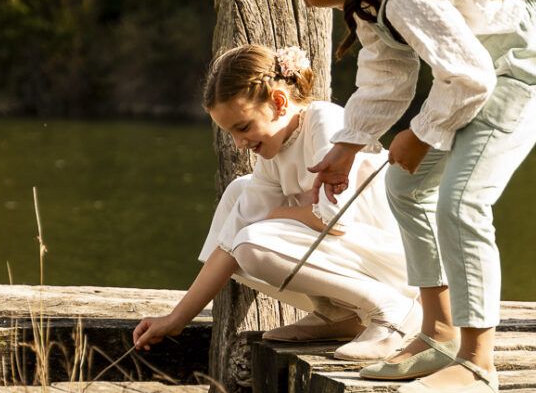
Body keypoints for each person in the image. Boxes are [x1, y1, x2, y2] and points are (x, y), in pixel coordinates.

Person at [260, 0, 536, 393]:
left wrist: (422, 134)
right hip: (480, 74)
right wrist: (346, 145)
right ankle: (439, 335)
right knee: (406, 186)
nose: (308, 4)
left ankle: (476, 364)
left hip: (521, 72)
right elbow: (386, 76)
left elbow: (469, 77)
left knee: (463, 202)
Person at [132, 43, 421, 360]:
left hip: (390, 257)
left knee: (253, 242)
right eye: (231, 133)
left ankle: (392, 310)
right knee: (238, 201)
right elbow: (229, 242)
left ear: (279, 102)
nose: (239, 143)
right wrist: (176, 320)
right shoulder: (275, 153)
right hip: (351, 258)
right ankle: (339, 314)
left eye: (243, 127)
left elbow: (333, 221)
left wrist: (278, 213)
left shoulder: (326, 122)